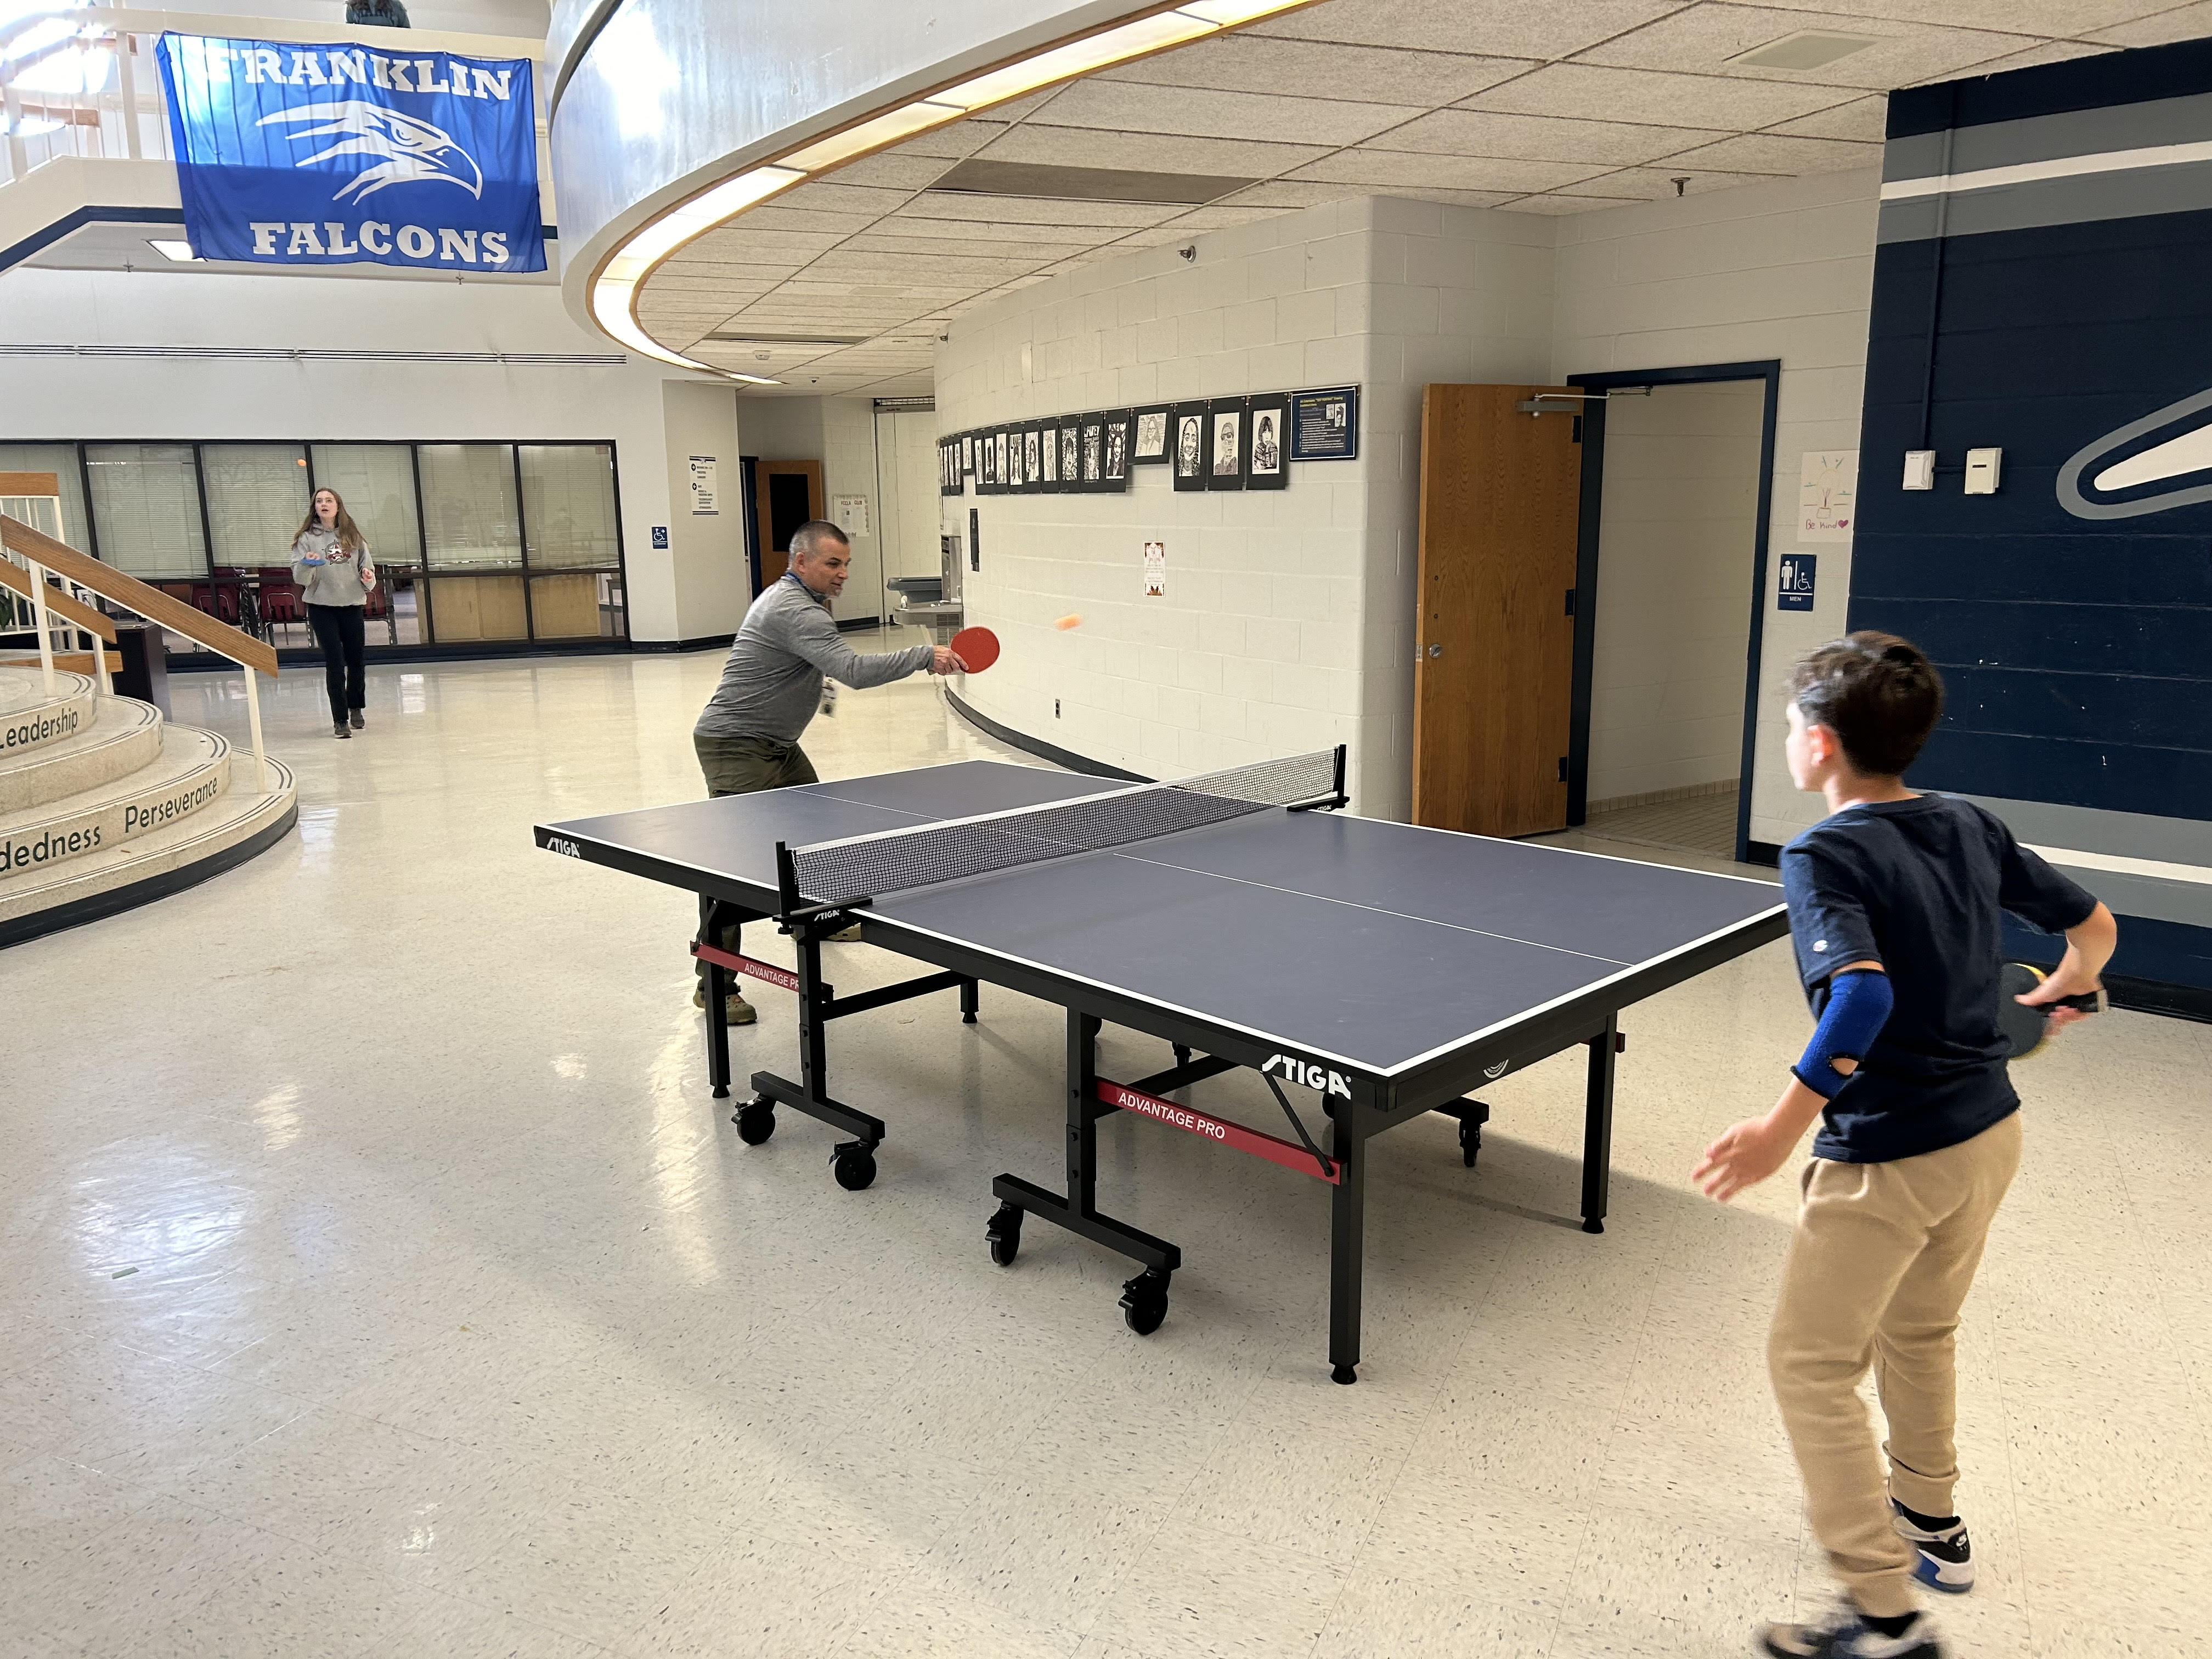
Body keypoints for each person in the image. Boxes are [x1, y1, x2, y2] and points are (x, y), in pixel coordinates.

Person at [1694, 633, 2115, 1659]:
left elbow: (1863, 994)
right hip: (1988, 1133)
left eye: (1794, 726)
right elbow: (2093, 928)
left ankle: (1882, 1615)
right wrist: (2056, 997)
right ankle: (1932, 1520)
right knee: (1919, 1332)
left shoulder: (1821, 852)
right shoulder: (1967, 820)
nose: (1791, 740)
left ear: (1821, 745)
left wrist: (1772, 1131)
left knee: (1808, 1364)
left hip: (1888, 1154)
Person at [690, 520, 964, 1022]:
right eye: (832, 563)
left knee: (815, 832)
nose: (842, 575)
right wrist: (926, 655)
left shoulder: (797, 601)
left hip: (775, 744)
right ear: (800, 562)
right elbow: (854, 671)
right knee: (731, 864)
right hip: (736, 745)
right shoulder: (796, 609)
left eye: (846, 564)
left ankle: (817, 920)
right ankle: (714, 983)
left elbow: (816, 667)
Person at [291, 487, 375, 739]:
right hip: (321, 607)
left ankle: (356, 707)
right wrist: (307, 562)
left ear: (338, 505)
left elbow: (367, 570)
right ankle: (340, 720)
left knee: (356, 661)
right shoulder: (306, 538)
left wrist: (368, 578)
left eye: (329, 500)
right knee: (335, 663)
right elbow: (301, 577)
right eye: (319, 501)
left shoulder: (353, 535)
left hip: (351, 605)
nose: (324, 504)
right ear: (314, 507)